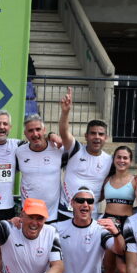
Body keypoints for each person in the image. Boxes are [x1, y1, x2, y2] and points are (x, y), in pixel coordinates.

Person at [57, 87, 113, 220]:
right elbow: (64, 132)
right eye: (93, 133)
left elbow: (107, 188)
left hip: (91, 216)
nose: (97, 137)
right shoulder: (75, 149)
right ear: (86, 136)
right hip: (65, 212)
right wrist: (65, 112)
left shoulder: (110, 160)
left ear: (106, 138)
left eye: (101, 134)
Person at [101, 145, 137, 273]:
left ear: (130, 161)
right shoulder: (107, 179)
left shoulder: (135, 180)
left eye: (125, 158)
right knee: (108, 266)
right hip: (107, 222)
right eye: (119, 157)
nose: (122, 161)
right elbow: (95, 197)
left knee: (123, 269)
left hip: (126, 225)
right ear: (114, 159)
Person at [16, 114, 64, 223]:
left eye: (38, 129)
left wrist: (52, 135)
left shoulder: (58, 149)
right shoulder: (19, 151)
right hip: (29, 215)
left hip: (52, 215)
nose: (35, 134)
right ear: (25, 134)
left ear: (44, 130)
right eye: (30, 131)